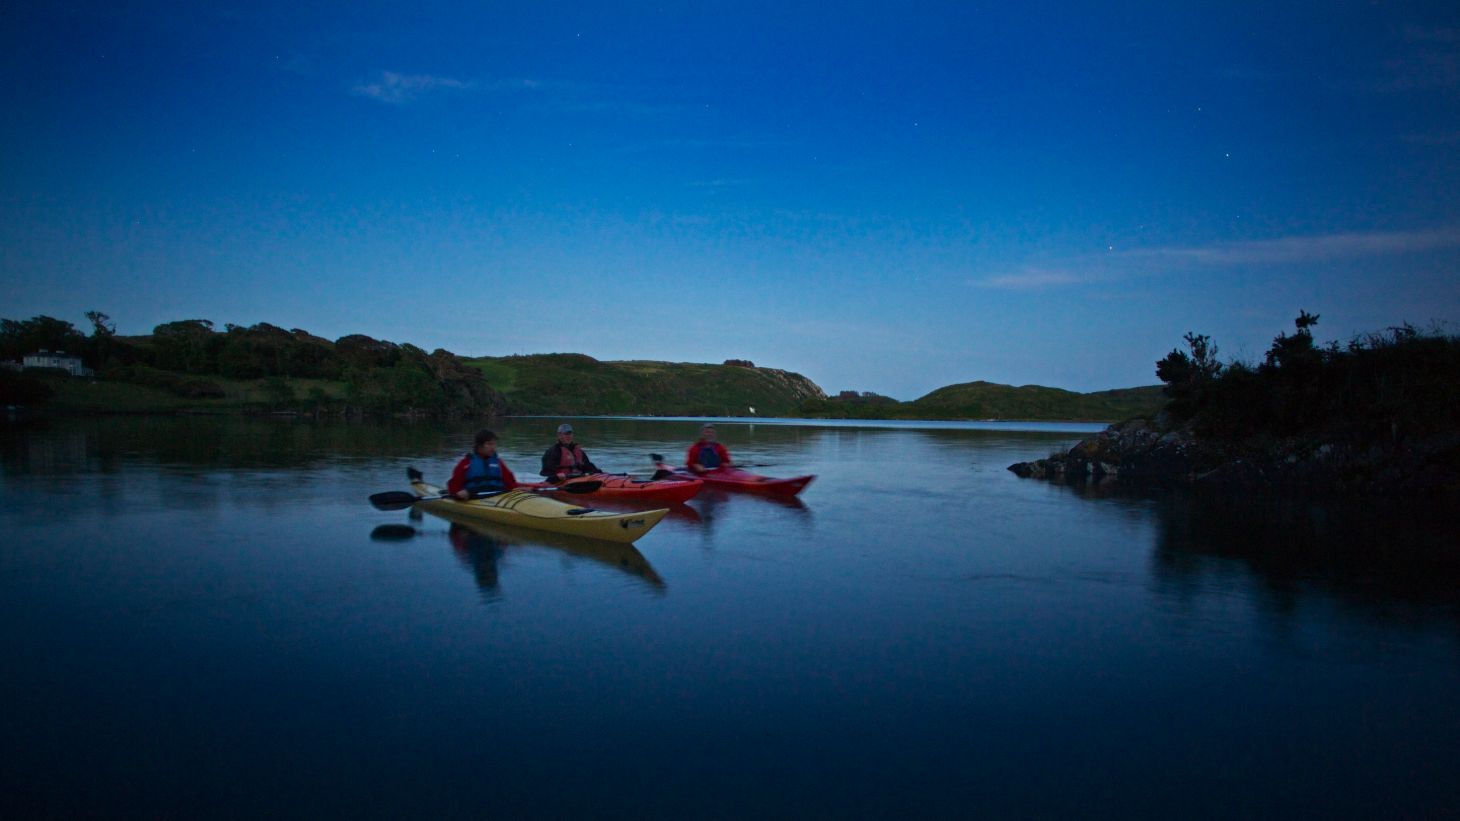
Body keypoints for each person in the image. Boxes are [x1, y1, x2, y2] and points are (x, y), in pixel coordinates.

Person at [447, 429, 519, 499]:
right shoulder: (466, 463)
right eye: (489, 444)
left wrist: (527, 487)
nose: (493, 447)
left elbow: (512, 485)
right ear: (479, 445)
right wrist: (458, 492)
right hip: (474, 498)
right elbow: (453, 486)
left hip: (498, 496)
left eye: (494, 444)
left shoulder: (498, 463)